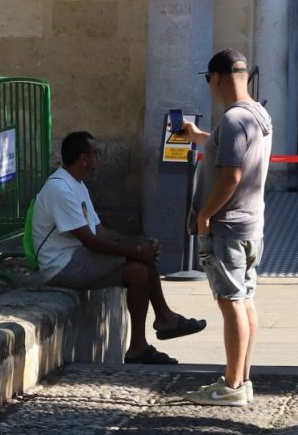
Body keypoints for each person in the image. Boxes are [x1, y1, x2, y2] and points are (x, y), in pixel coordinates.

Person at [31, 131, 203, 365]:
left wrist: (137, 243)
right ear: (83, 159)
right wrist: (137, 252)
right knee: (139, 267)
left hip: (77, 257)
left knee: (142, 265)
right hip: (62, 264)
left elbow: (100, 231)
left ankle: (155, 328)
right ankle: (151, 333)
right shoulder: (60, 189)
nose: (99, 159)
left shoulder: (76, 185)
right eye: (96, 154)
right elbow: (90, 241)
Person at [179, 50, 272, 406]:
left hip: (227, 226)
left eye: (208, 80)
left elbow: (231, 176)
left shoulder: (233, 119)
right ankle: (242, 379)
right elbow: (233, 153)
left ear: (216, 78)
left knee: (230, 301)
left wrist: (204, 215)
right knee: (245, 300)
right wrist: (201, 137)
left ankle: (232, 386)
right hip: (251, 225)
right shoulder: (257, 114)